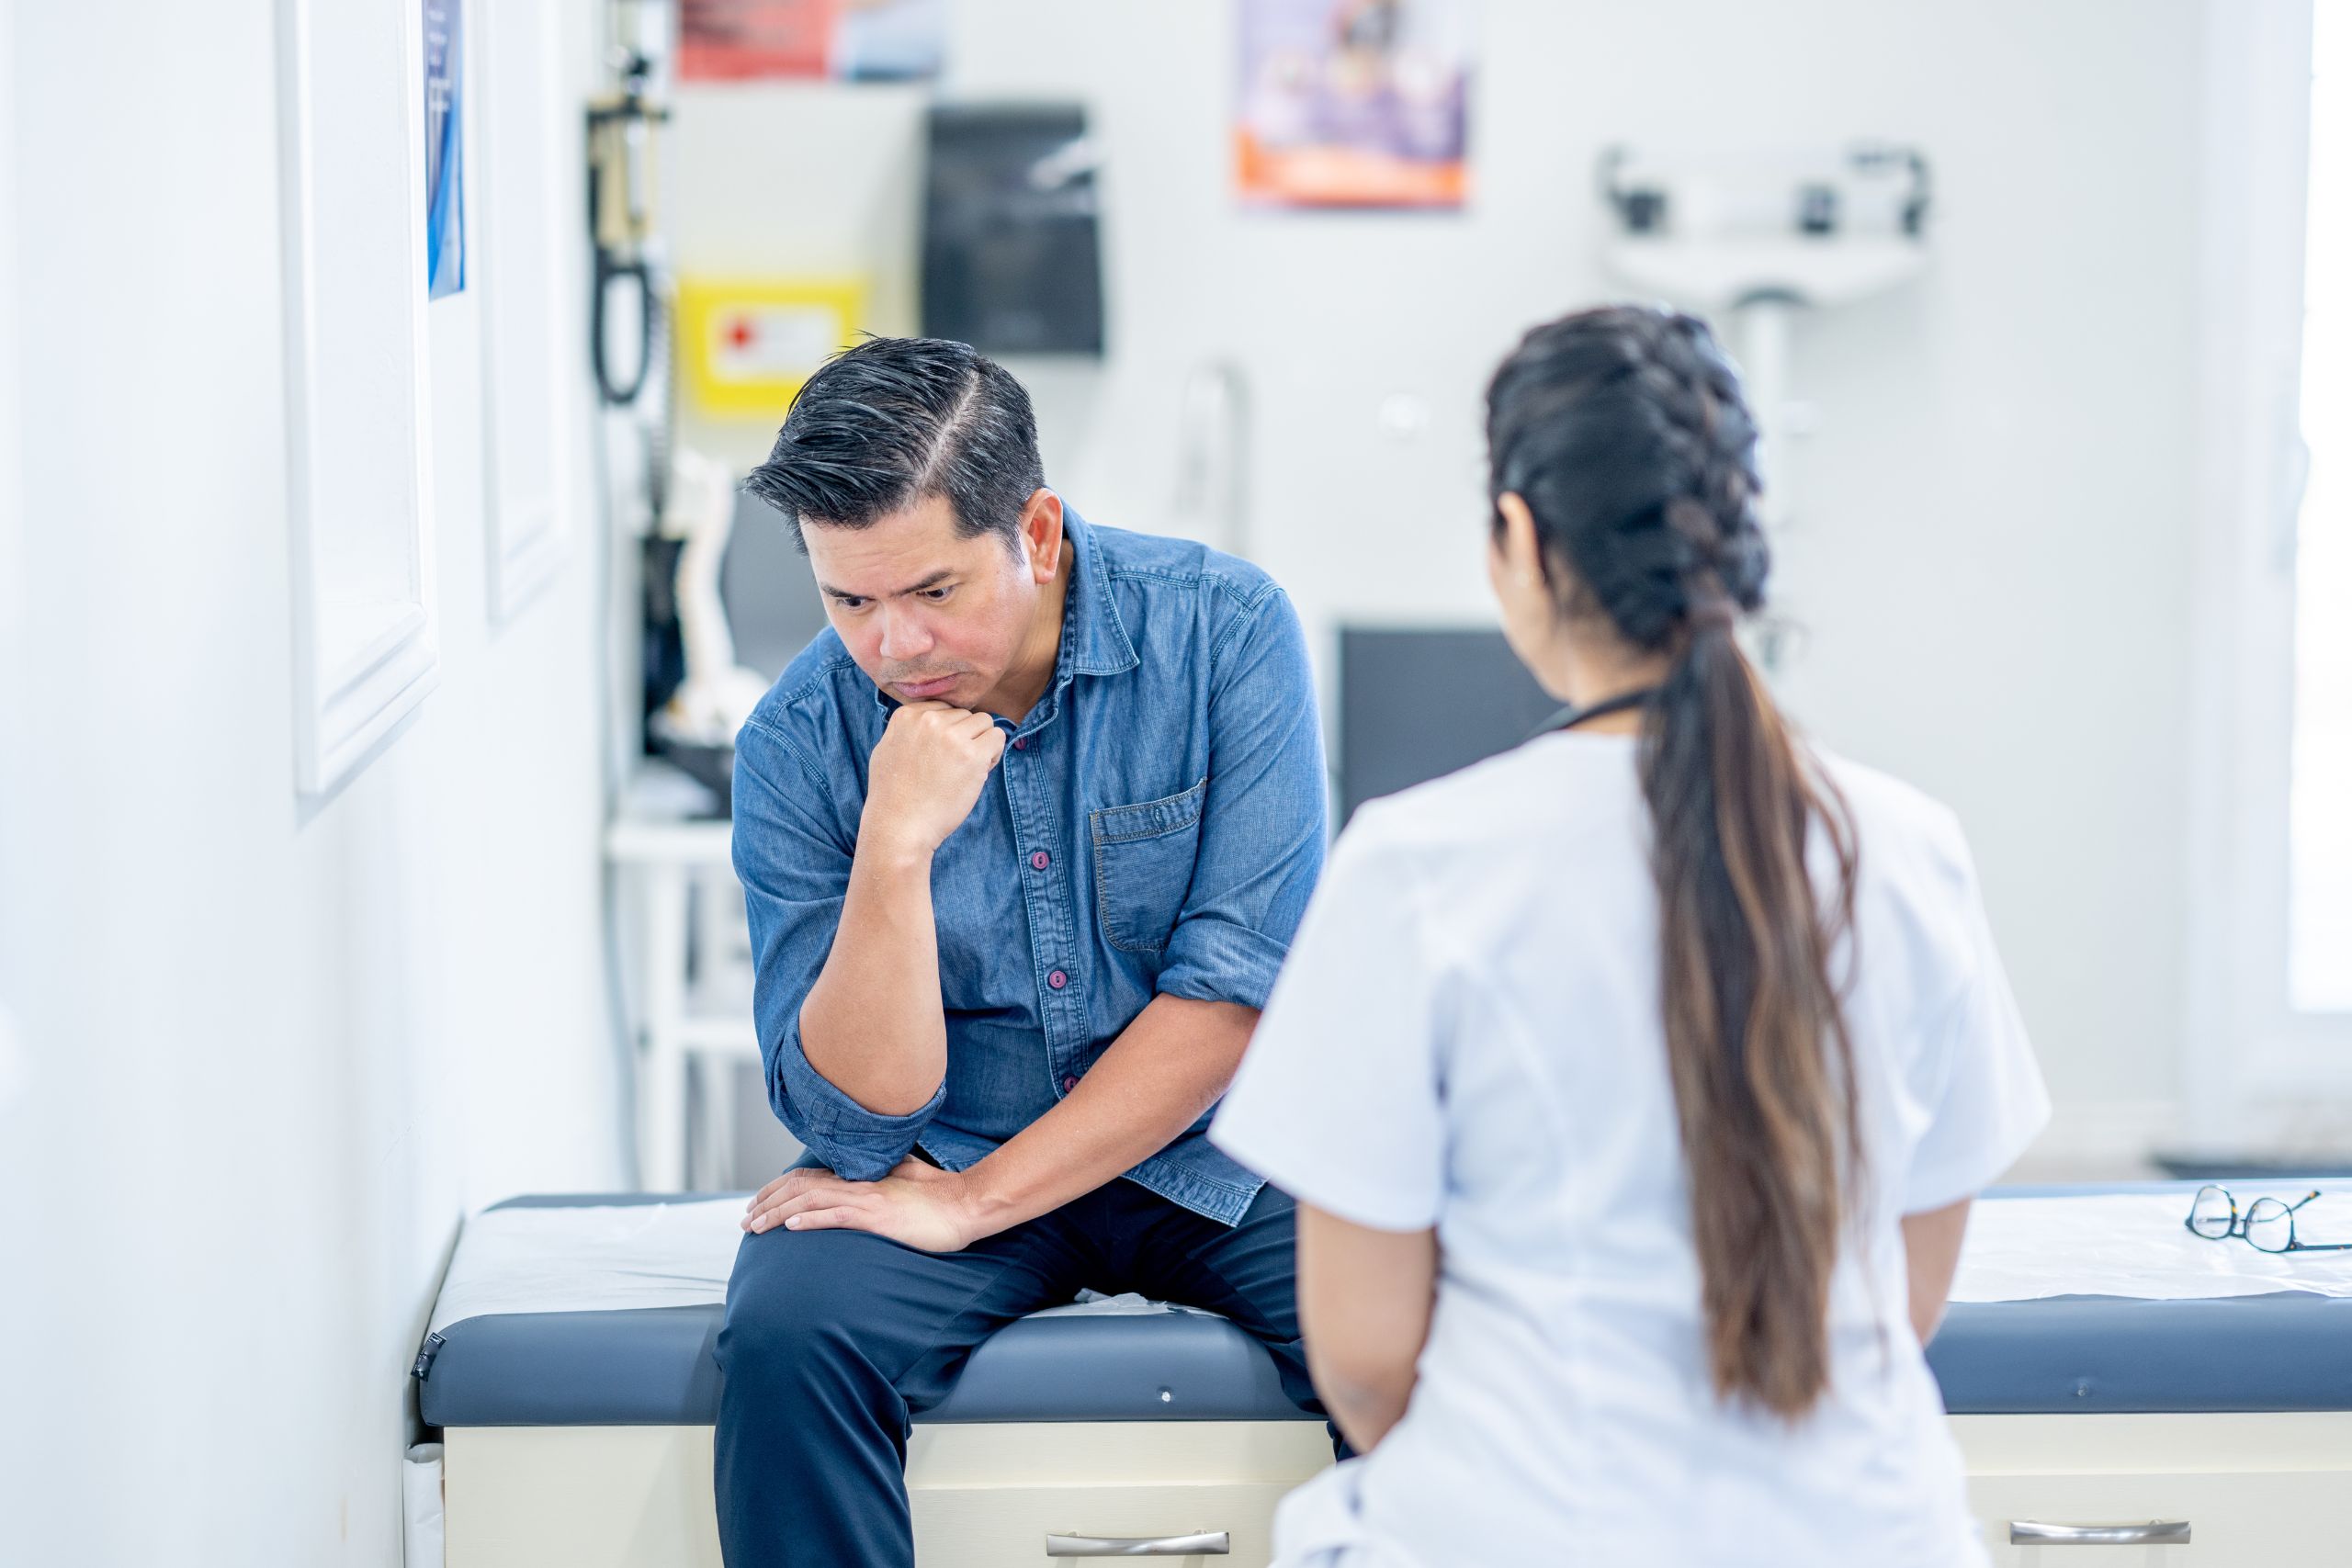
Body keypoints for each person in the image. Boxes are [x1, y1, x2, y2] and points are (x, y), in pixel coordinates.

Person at [1210, 304, 2050, 1567]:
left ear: (1518, 540)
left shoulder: (1418, 868)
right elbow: (1910, 1292)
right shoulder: (1907, 845)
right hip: (1873, 1531)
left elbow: (1369, 1362)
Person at [716, 336, 1330, 1568]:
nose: (891, 647)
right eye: (850, 602)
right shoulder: (798, 741)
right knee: (788, 1345)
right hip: (949, 1142)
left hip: (1222, 1149)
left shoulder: (1224, 632)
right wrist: (893, 852)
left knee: (1443, 1326)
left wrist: (972, 1206)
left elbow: (1233, 1000)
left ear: (1036, 532)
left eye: (933, 592)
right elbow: (851, 1127)